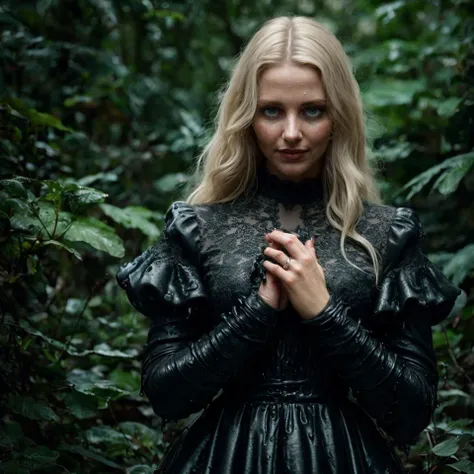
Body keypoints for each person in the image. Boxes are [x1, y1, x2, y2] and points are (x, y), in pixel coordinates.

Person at [116, 16, 461, 474]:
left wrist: (324, 311)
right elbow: (166, 395)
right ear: (246, 117)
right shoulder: (196, 227)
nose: (292, 132)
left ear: (339, 115)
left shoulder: (388, 233)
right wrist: (258, 310)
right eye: (271, 110)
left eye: (313, 110)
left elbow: (412, 414)